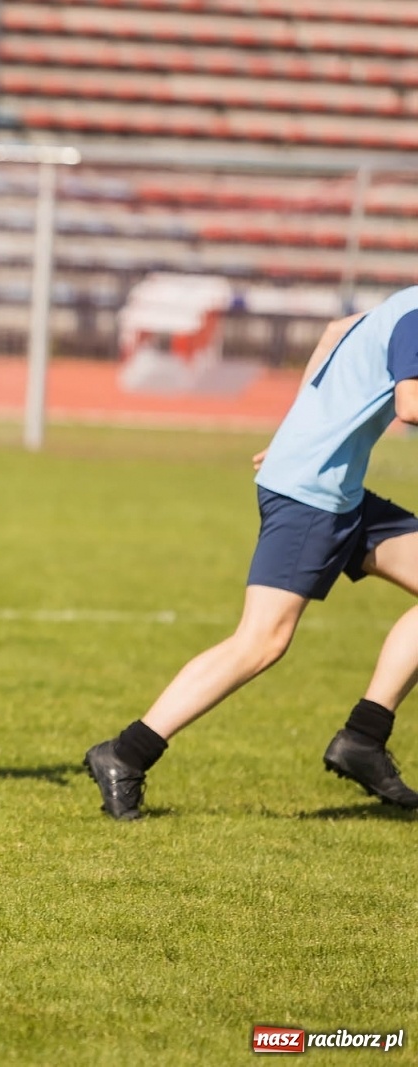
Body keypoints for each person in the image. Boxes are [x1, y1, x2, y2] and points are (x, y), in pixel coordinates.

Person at [85, 296, 418, 820]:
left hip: (335, 490)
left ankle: (364, 739)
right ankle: (125, 754)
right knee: (261, 641)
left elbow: (334, 330)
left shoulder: (401, 305)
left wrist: (290, 432)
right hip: (312, 496)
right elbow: (410, 406)